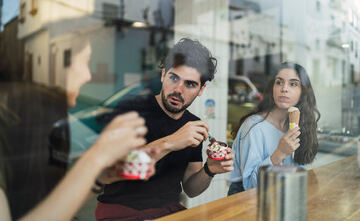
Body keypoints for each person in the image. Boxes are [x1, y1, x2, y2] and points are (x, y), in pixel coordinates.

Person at [0, 40, 155, 221]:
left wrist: (98, 177)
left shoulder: (35, 123)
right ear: (55, 62)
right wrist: (96, 157)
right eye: (85, 61)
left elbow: (50, 210)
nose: (88, 75)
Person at [95, 38, 235, 221]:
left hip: (168, 213)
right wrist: (170, 142)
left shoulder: (193, 125)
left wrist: (209, 170)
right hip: (121, 212)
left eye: (190, 84)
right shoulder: (132, 108)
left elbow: (191, 189)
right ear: (163, 75)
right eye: (174, 78)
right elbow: (105, 174)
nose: (178, 89)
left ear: (201, 89)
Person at [227, 62, 320, 195]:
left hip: (281, 194)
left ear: (303, 92)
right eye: (279, 82)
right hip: (246, 198)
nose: (284, 89)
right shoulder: (254, 126)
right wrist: (280, 153)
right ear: (272, 88)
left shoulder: (298, 126)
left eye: (293, 84)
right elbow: (250, 185)